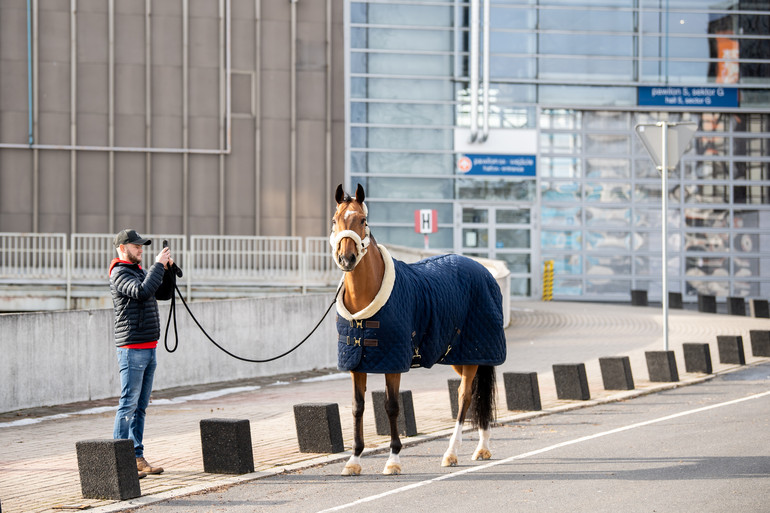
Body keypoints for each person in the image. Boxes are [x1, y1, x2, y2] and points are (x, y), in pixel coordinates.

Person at [109, 229, 175, 479]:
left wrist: (166, 271)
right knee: (128, 404)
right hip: (132, 349)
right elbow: (141, 292)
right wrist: (157, 265)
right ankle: (120, 461)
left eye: (142, 246)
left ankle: (137, 458)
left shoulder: (138, 272)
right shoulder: (119, 272)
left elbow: (161, 293)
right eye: (136, 246)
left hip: (149, 346)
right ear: (122, 248)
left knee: (140, 407)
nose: (141, 249)